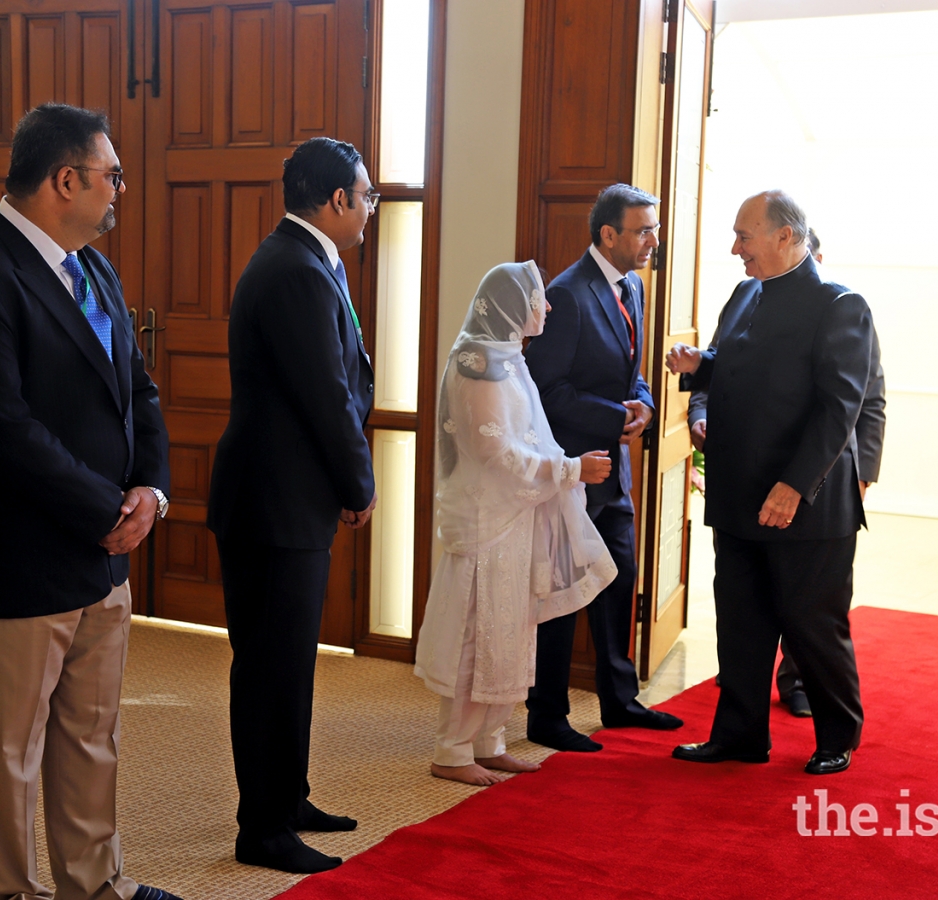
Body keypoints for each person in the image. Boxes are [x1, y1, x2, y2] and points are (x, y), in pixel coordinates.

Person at [0, 103, 179, 900]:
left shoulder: (94, 268)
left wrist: (151, 491)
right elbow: (0, 429)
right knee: (6, 756)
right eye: (112, 177)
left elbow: (139, 390)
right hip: (12, 562)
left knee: (92, 739)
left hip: (100, 563)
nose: (120, 192)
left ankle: (96, 886)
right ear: (65, 179)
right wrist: (108, 508)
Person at [207, 137, 376, 874]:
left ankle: (288, 794)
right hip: (275, 502)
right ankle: (263, 827)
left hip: (286, 497)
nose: (371, 208)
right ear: (336, 199)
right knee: (272, 665)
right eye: (366, 196)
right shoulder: (295, 270)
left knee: (289, 660)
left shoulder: (304, 259)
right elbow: (325, 395)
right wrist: (358, 483)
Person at [666, 190, 873, 776]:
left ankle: (837, 736)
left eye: (744, 236)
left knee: (813, 628)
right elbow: (743, 368)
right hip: (737, 497)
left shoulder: (840, 303)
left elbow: (840, 407)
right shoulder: (744, 293)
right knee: (741, 625)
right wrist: (701, 367)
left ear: (786, 237)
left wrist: (793, 485)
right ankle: (739, 736)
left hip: (805, 504)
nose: (736, 249)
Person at [414, 261, 617, 786]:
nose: (546, 307)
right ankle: (452, 749)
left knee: (509, 629)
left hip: (515, 514)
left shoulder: (509, 357)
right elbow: (493, 449)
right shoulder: (477, 361)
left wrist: (565, 467)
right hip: (487, 517)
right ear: (510, 305)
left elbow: (528, 436)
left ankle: (489, 740)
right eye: (538, 299)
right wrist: (570, 469)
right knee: (474, 632)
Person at [523, 184, 683, 753]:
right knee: (564, 590)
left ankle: (619, 701)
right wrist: (614, 414)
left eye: (654, 229)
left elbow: (627, 372)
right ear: (607, 234)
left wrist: (641, 401)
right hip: (572, 470)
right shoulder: (567, 295)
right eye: (643, 230)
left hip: (615, 470)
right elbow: (545, 389)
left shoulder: (632, 287)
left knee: (619, 578)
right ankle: (546, 714)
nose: (652, 240)